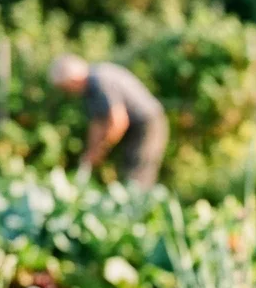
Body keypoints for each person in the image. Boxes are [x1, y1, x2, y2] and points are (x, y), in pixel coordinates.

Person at [48, 55, 168, 189]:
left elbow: (118, 121)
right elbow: (97, 123)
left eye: (65, 87)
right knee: (126, 170)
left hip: (147, 122)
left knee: (137, 174)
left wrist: (101, 148)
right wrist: (91, 152)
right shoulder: (89, 90)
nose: (68, 92)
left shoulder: (101, 80)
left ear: (73, 79)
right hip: (135, 126)